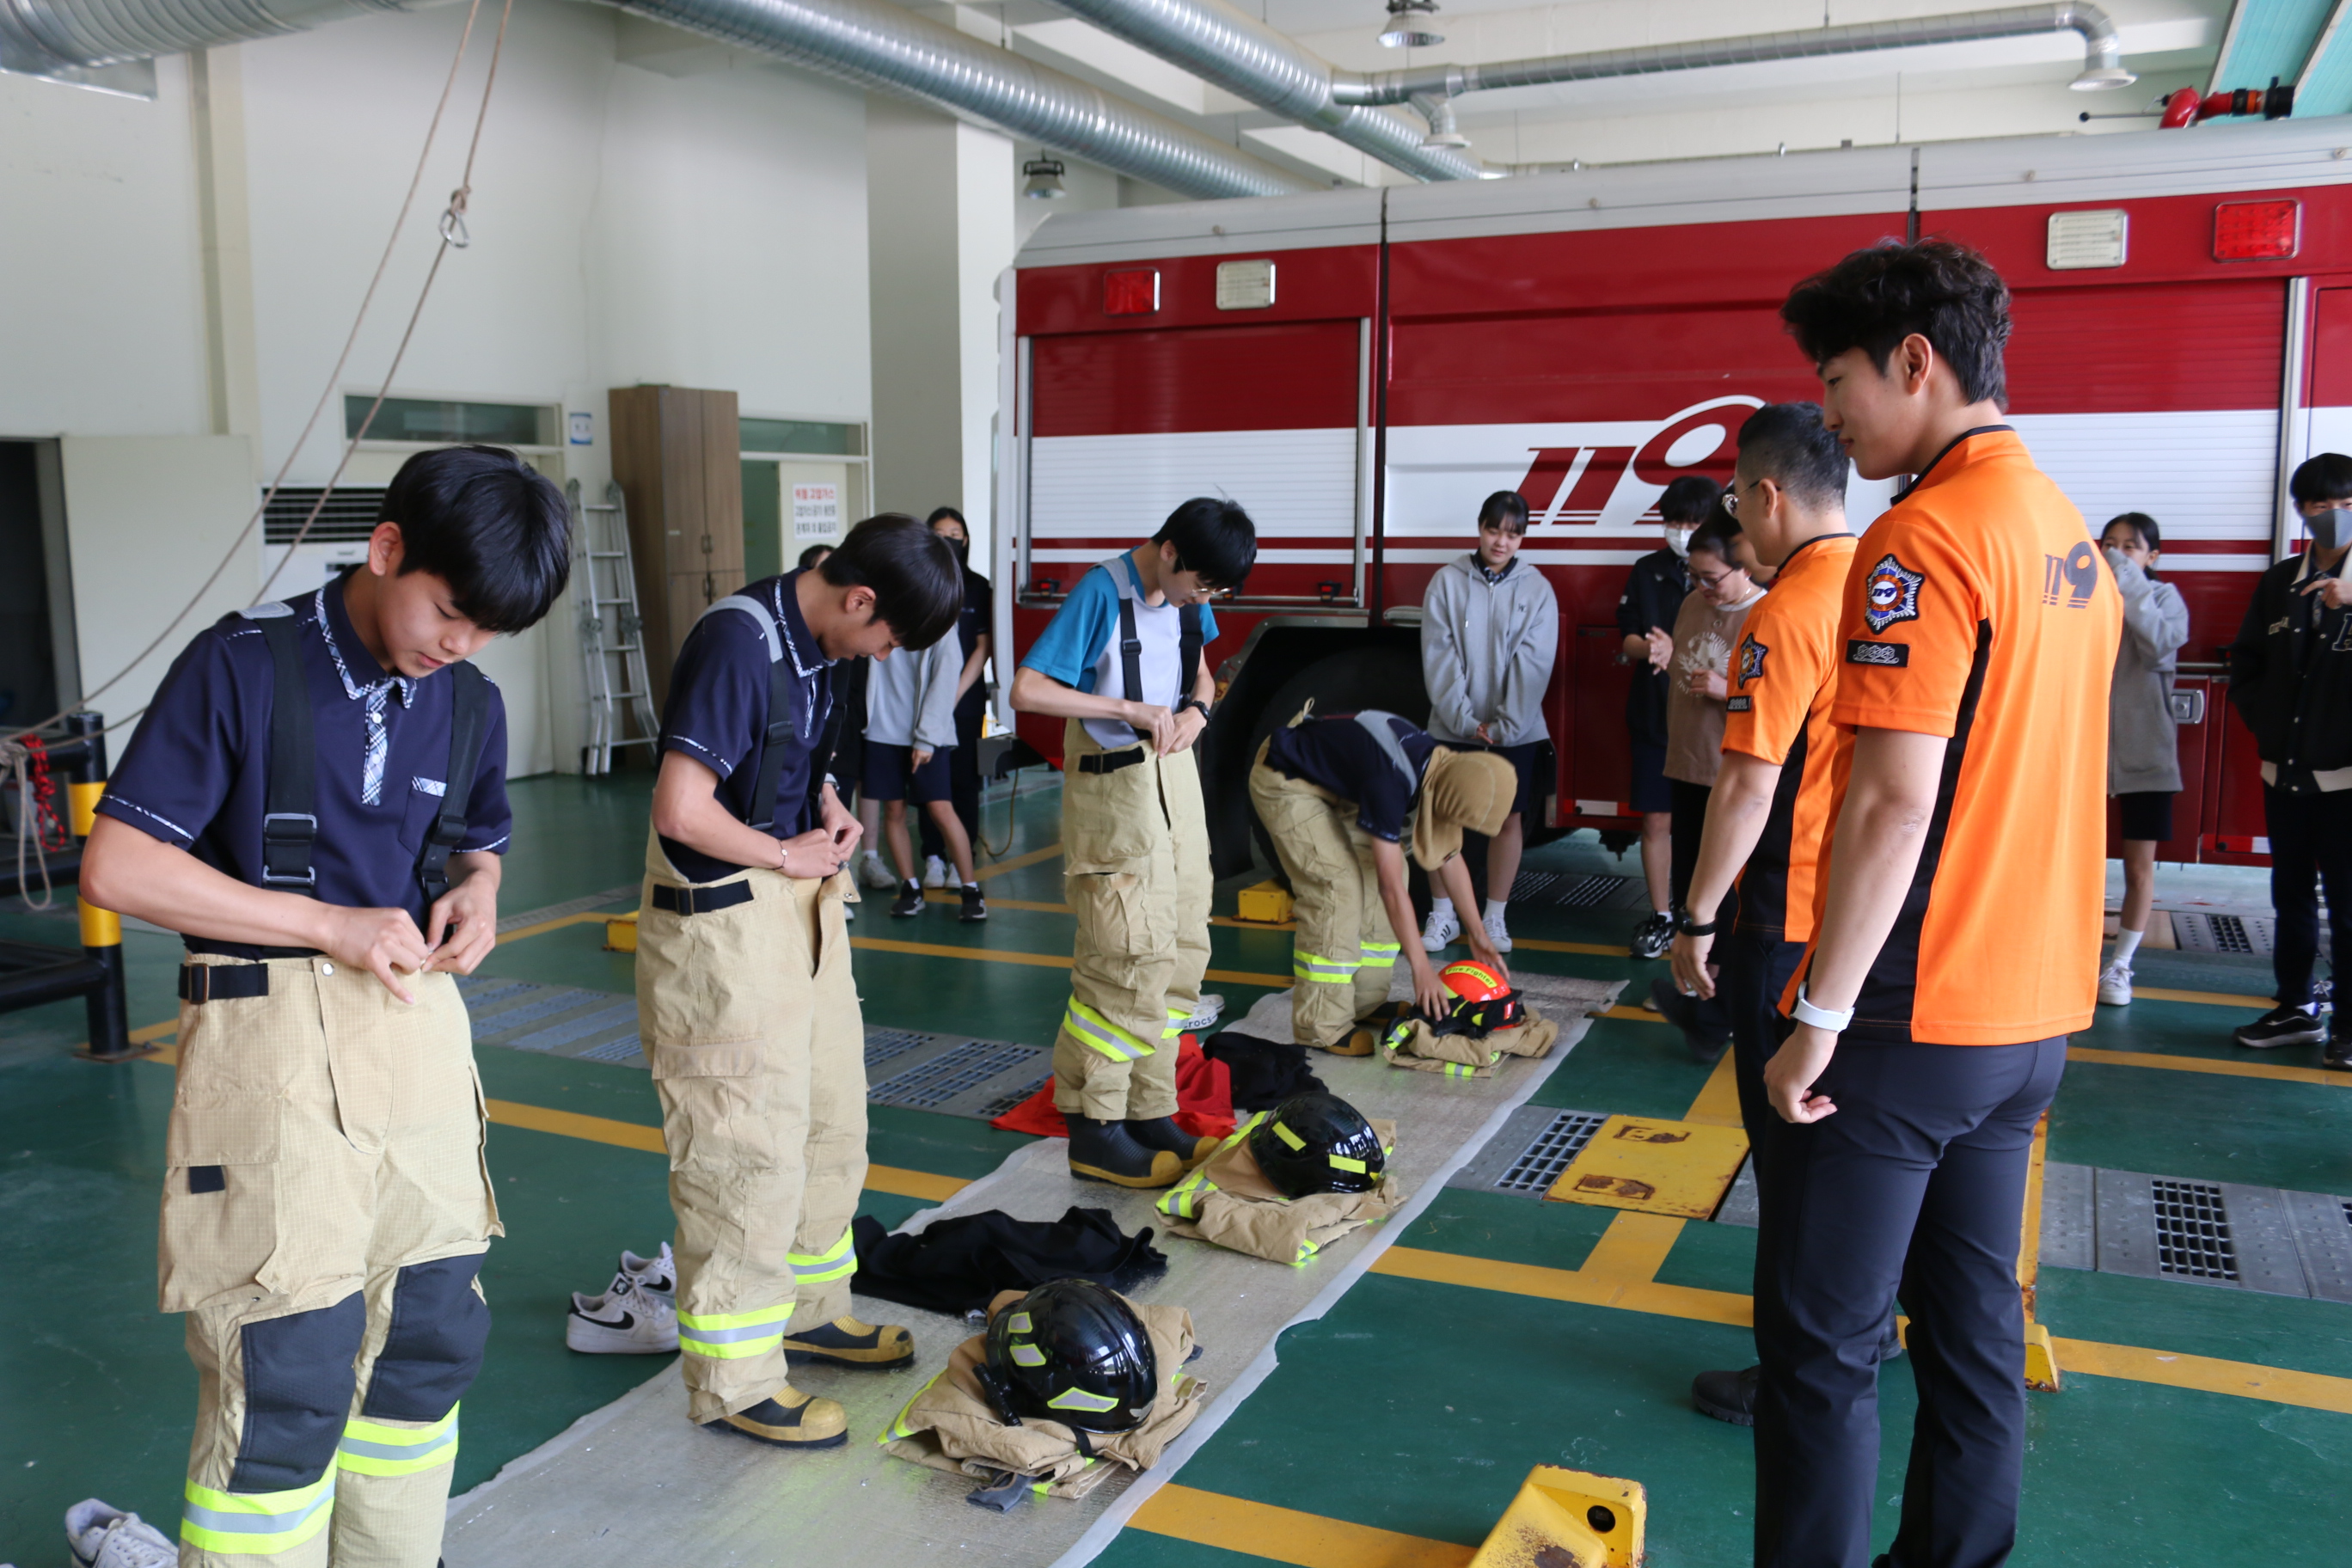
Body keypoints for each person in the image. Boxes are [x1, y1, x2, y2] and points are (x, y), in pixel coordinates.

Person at [77, 446, 570, 1567]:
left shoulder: (469, 701)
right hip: (269, 1040)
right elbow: (118, 869)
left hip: (416, 1031)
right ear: (387, 548)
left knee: (428, 1340)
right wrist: (324, 923)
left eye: (489, 631)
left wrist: (480, 893)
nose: (462, 645)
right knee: (285, 1364)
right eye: (450, 613)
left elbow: (477, 843)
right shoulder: (243, 667)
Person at [1756, 238, 2119, 1568]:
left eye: (1837, 379)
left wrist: (1819, 1015)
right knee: (1971, 1339)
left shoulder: (1922, 539)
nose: (1833, 414)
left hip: (1915, 1020)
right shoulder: (2063, 531)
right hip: (2030, 1020)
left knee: (1822, 1352)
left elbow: (1892, 805)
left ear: (1915, 362)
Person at [639, 514, 959, 1449]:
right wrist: (787, 852)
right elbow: (681, 807)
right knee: (744, 1148)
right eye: (887, 637)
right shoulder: (739, 643)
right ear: (858, 599)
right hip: (723, 926)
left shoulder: (824, 647)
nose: (883, 653)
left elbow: (783, 758)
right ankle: (736, 1379)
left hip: (800, 905)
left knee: (829, 1117)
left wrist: (825, 806)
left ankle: (813, 1310)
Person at [1662, 402, 1856, 1424]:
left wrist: (1695, 918)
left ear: (1769, 496)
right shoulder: (1884, 586)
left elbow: (1746, 786)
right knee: (1847, 1144)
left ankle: (1796, 1371)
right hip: (1864, 918)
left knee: (1787, 1155)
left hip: (1786, 917)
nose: (1735, 519)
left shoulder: (1786, 612)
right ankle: (1867, 1326)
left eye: (1737, 499)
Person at [1009, 498, 1257, 1188]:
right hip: (1113, 790)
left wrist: (1199, 710)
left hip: (1174, 782)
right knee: (1123, 955)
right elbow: (1028, 689)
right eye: (1200, 585)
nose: (1202, 601)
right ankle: (1096, 1126)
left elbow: (1202, 669)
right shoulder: (1101, 592)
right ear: (1170, 551)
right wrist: (1126, 708)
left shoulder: (1188, 600)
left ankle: (1151, 1109)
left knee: (1180, 946)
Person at [1251, 707, 1516, 1053]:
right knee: (1338, 887)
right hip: (1287, 779)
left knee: (1385, 872)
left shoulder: (1443, 769)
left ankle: (1364, 1001)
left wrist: (1478, 935)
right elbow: (1392, 892)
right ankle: (1320, 1024)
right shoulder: (1391, 781)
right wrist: (1421, 967)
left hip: (1337, 784)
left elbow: (1449, 856)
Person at [2226, 454, 2352, 1065]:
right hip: (2285, 772)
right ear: (2302, 510)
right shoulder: (2280, 581)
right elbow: (2248, 662)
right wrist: (2267, 725)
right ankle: (2295, 1006)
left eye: (2347, 504)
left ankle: (2349, 1024)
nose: (2335, 515)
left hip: (2347, 781)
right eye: (2322, 505)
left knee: (2348, 907)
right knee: (2291, 893)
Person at [1648, 509, 1767, 1054]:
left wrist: (1729, 690)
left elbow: (1784, 702)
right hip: (1687, 764)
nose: (1703, 587)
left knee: (1730, 894)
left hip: (1732, 775)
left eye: (1713, 577)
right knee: (1693, 885)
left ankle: (1719, 1011)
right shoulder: (1692, 604)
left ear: (1743, 567)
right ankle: (1702, 995)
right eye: (1694, 576)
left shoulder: (1766, 614)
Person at [1418, 489, 1557, 956]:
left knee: (1507, 819)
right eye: (1494, 530)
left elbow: (1534, 663)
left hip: (1516, 731)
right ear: (1480, 528)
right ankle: (1442, 915)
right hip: (1450, 727)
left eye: (1512, 534)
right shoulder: (1446, 581)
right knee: (1440, 817)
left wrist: (1504, 726)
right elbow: (1439, 655)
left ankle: (1494, 916)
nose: (1501, 542)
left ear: (1523, 537)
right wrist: (1463, 718)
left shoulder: (1537, 589)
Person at [1620, 474, 1718, 958]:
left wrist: (1678, 651)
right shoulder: (1647, 570)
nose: (1681, 532)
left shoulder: (1737, 572)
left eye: (1692, 523)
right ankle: (1661, 916)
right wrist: (1651, 648)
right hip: (1656, 716)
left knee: (1711, 825)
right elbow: (1627, 636)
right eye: (1674, 522)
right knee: (1657, 820)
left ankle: (1703, 918)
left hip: (1711, 724)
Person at [2097, 512, 2189, 1007]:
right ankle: (2070, 955)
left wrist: (2129, 582)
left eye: (2129, 546)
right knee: (2076, 862)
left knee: (2138, 867)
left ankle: (2121, 966)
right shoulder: (2087, 595)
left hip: (2145, 752)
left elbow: (2159, 645)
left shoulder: (2164, 597)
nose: (2115, 553)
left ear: (2152, 556)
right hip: (2086, 752)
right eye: (2108, 543)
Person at [864, 579, 983, 921]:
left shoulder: (939, 621)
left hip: (928, 733)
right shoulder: (875, 614)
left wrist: (927, 738)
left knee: (941, 809)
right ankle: (911, 888)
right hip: (881, 731)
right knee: (893, 811)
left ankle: (971, 889)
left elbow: (946, 682)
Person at [917, 506, 995, 891]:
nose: (948, 541)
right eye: (939, 534)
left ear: (965, 540)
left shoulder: (978, 586)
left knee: (963, 782)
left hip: (964, 702)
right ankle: (932, 856)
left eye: (954, 535)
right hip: (923, 700)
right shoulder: (919, 583)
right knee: (928, 780)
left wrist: (952, 694)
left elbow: (983, 647)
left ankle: (961, 859)